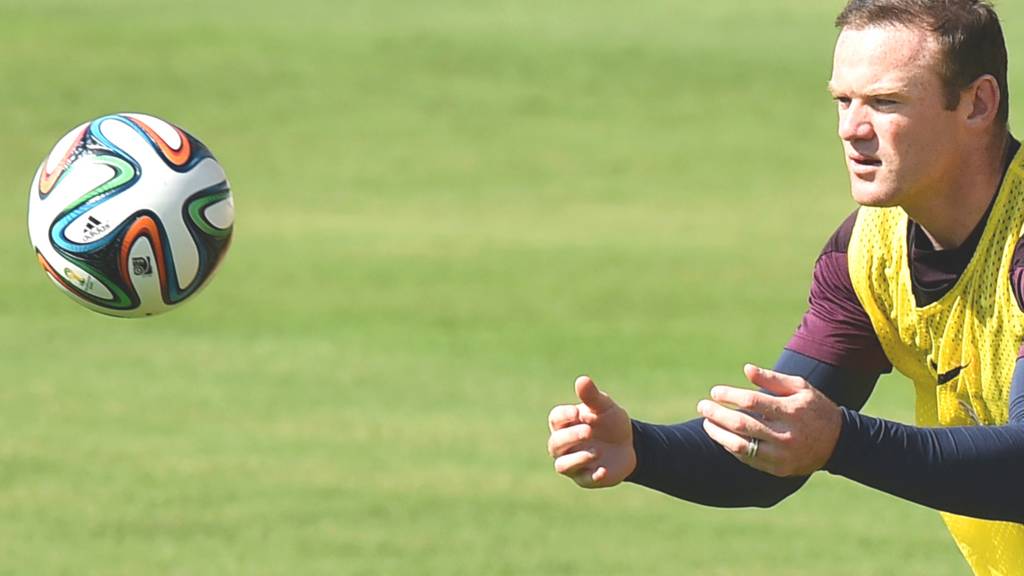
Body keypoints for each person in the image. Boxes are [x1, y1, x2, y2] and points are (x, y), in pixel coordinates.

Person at [545, 1, 1024, 574]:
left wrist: (843, 441)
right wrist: (640, 450)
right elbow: (777, 446)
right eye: (843, 101)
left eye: (885, 102)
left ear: (978, 103)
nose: (851, 128)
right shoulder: (866, 254)